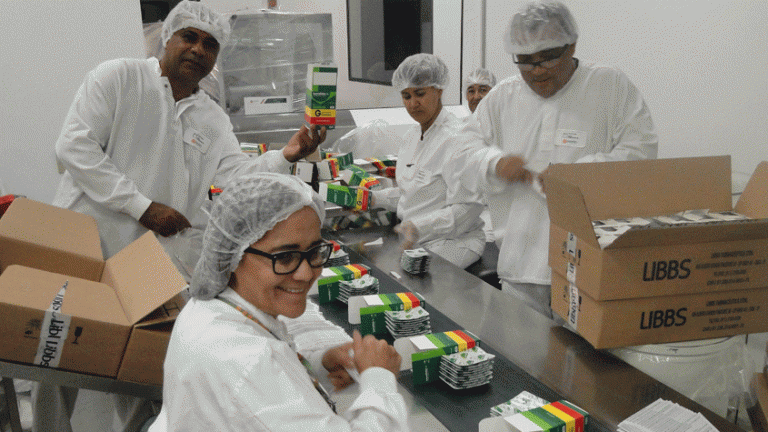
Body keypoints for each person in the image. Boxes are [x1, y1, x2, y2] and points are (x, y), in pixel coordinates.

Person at [37, 2, 325, 431]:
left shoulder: (211, 117)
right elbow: (75, 147)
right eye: (189, 37)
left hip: (147, 261)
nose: (198, 49)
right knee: (54, 354)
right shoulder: (120, 78)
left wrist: (285, 156)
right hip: (85, 244)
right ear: (166, 38)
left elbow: (235, 177)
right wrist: (143, 207)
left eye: (210, 44)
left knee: (139, 363)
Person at [148, 172, 408, 431]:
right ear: (234, 254)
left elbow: (257, 402)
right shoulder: (248, 360)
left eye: (314, 251)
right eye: (284, 257)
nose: (306, 274)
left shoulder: (211, 308)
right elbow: (256, 379)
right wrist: (379, 379)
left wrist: (318, 365)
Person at [456, 0, 658, 317]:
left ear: (571, 45)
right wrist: (494, 162)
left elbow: (642, 151)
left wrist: (576, 175)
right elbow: (463, 150)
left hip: (588, 267)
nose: (537, 71)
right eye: (525, 61)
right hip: (520, 265)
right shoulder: (503, 97)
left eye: (548, 58)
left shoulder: (608, 85)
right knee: (519, 348)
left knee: (577, 349)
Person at [371, 53, 486, 268]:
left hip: (454, 242)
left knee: (413, 278)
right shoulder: (411, 138)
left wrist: (420, 227)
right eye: (406, 96)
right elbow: (412, 195)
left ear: (439, 90)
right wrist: (373, 199)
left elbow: (468, 209)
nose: (413, 103)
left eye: (420, 94)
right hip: (415, 238)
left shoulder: (459, 138)